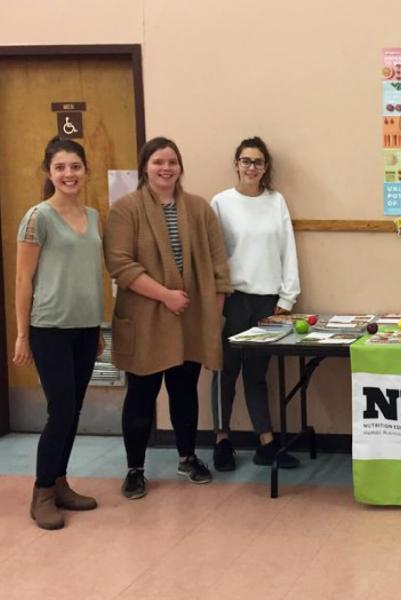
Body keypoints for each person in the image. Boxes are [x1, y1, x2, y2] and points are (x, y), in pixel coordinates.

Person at [104, 137, 231, 499]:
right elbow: (121, 265)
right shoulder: (126, 210)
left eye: (172, 161)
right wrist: (166, 296)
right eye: (158, 161)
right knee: (141, 396)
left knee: (184, 392)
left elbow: (219, 264)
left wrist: (212, 312)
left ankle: (188, 457)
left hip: (190, 317)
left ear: (180, 167)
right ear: (145, 166)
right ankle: (135, 469)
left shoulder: (198, 208)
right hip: (145, 317)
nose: (166, 168)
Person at [15, 138, 104, 529]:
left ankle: (61, 481)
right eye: (61, 167)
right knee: (61, 411)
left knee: (73, 412)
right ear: (49, 172)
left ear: (86, 170)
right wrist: (22, 335)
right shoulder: (38, 217)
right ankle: (43, 493)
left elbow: (91, 276)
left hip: (85, 328)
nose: (69, 174)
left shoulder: (94, 216)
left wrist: (98, 326)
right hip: (49, 328)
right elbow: (23, 279)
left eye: (75, 167)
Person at [209, 136, 300, 471]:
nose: (251, 167)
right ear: (236, 164)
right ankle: (222, 440)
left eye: (258, 162)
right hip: (231, 300)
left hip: (267, 302)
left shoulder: (276, 201)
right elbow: (212, 255)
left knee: (257, 374)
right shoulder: (220, 203)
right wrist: (215, 299)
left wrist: (287, 296)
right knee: (225, 371)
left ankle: (266, 442)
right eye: (245, 161)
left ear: (266, 168)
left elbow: (287, 249)